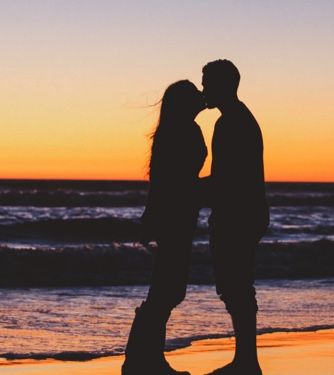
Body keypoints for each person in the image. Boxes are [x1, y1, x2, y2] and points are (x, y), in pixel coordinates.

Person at [122, 80, 207, 375]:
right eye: (195, 94)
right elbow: (175, 181)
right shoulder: (182, 131)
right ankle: (143, 359)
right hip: (176, 216)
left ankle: (142, 358)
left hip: (177, 215)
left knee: (167, 288)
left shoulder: (175, 130)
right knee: (168, 289)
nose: (202, 97)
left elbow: (166, 181)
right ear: (185, 103)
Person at [202, 59, 269, 375]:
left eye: (207, 83)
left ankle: (246, 360)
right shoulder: (240, 118)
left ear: (223, 85)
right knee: (238, 285)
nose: (204, 90)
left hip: (237, 214)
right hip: (248, 211)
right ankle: (246, 358)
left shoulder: (230, 123)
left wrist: (184, 191)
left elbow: (224, 178)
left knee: (236, 286)